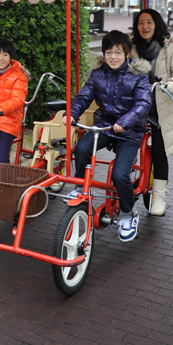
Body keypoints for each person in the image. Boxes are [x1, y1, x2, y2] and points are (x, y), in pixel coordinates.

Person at [63, 30, 152, 243]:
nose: (113, 57)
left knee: (120, 174)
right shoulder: (98, 74)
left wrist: (125, 121)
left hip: (129, 130)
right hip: (104, 126)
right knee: (82, 149)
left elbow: (143, 104)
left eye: (118, 52)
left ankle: (127, 213)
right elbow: (84, 97)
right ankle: (79, 187)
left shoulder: (138, 75)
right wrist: (72, 113)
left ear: (127, 54)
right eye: (109, 52)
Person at [130, 8, 173, 216]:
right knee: (127, 144)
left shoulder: (171, 48)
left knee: (159, 150)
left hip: (161, 106)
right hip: (137, 106)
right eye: (140, 23)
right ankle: (126, 183)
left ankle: (159, 197)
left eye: (149, 22)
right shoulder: (131, 48)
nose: (145, 26)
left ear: (157, 24)